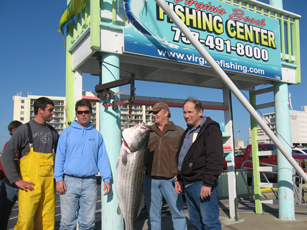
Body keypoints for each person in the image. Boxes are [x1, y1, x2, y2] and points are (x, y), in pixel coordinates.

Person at [1, 97, 59, 230]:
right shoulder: (24, 130)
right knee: (25, 222)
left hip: (48, 186)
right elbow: (6, 156)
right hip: (29, 186)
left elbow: (61, 155)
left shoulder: (53, 132)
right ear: (40, 110)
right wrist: (16, 180)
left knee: (47, 220)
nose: (52, 113)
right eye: (50, 110)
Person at [54, 99, 112, 230]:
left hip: (90, 183)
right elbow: (59, 157)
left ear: (91, 113)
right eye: (80, 112)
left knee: (88, 223)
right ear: (76, 114)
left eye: (86, 112)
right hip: (69, 181)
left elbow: (102, 158)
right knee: (67, 223)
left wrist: (107, 179)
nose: (83, 114)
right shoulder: (66, 132)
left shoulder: (97, 135)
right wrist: (58, 179)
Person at [175, 98, 224, 230]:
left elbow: (215, 158)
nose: (186, 116)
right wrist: (179, 178)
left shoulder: (210, 129)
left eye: (190, 112)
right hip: (189, 185)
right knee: (197, 223)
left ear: (200, 111)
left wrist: (208, 183)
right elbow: (184, 157)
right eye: (184, 112)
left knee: (210, 223)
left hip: (202, 184)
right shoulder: (188, 132)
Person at [144, 102, 187, 230]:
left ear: (166, 113)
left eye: (157, 112)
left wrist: (180, 177)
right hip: (150, 180)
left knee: (177, 213)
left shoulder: (179, 132)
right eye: (153, 113)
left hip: (171, 180)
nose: (154, 115)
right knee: (153, 215)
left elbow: (184, 157)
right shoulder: (147, 132)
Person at [0, 120, 22, 230]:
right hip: (9, 184)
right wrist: (3, 177)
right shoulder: (8, 145)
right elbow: (3, 162)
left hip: (24, 184)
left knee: (25, 215)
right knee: (3, 213)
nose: (13, 136)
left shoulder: (26, 145)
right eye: (11, 133)